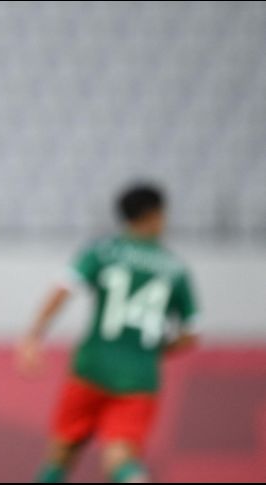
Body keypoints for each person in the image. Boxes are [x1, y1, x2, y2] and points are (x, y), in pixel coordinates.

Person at [17, 184, 198, 483]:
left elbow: (64, 288)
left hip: (92, 365)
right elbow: (191, 334)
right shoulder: (175, 268)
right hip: (140, 376)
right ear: (154, 215)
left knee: (61, 453)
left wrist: (33, 336)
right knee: (121, 457)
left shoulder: (103, 251)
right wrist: (149, 350)